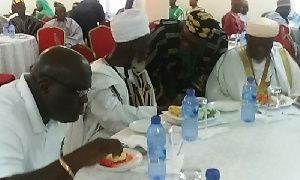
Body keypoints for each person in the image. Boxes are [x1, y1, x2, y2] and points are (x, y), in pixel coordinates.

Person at [0, 46, 123, 179]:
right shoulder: (5, 113)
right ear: (45, 87)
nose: (85, 99)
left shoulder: (52, 108)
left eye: (86, 91)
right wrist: (76, 160)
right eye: (79, 92)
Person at [65, 9, 160, 143]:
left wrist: (155, 113)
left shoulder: (137, 70)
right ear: (131, 47)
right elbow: (115, 120)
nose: (147, 50)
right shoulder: (98, 75)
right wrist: (154, 114)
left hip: (136, 141)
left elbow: (151, 103)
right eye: (145, 45)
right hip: (98, 149)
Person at [206, 18, 300, 102]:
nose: (260, 49)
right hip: (240, 115)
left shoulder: (282, 57)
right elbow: (213, 92)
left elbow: (297, 89)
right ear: (247, 39)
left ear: (272, 43)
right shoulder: (231, 58)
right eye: (257, 44)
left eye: (265, 45)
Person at [147, 10, 228, 106]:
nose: (185, 45)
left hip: (196, 96)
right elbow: (147, 72)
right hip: (160, 91)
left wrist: (187, 95)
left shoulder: (218, 42)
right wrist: (163, 101)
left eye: (192, 44)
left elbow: (209, 77)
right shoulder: (163, 34)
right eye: (184, 37)